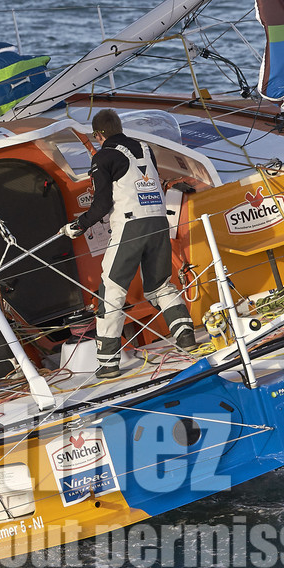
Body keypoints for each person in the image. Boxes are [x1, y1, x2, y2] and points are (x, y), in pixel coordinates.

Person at [62, 109, 196, 378]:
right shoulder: (144, 148)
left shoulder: (104, 156)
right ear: (119, 126)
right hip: (159, 221)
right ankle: (186, 337)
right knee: (159, 285)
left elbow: (101, 204)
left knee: (110, 290)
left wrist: (79, 226)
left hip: (130, 225)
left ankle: (109, 363)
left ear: (99, 135)